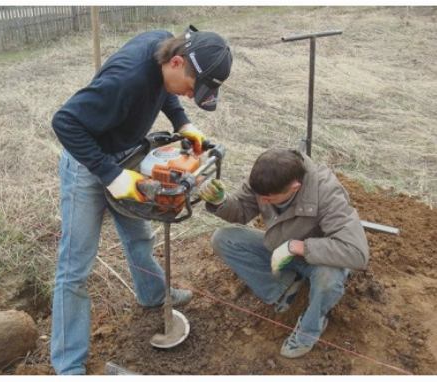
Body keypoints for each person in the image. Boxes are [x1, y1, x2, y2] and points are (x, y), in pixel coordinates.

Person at [49, 26, 232, 374]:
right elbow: (65, 122)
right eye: (193, 89)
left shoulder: (163, 46)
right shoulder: (126, 79)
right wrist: (111, 174)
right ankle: (68, 365)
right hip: (87, 165)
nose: (192, 96)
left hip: (126, 154)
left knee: (138, 236)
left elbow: (163, 90)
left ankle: (152, 294)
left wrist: (182, 120)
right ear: (176, 61)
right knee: (75, 267)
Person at [199, 148, 369, 358]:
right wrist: (220, 202)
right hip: (279, 247)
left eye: (269, 199)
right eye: (260, 196)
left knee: (329, 278)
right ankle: (283, 289)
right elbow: (241, 211)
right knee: (224, 239)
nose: (263, 201)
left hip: (318, 259)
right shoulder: (267, 177)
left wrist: (298, 247)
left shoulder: (327, 194)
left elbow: (356, 253)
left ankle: (310, 329)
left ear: (294, 187)